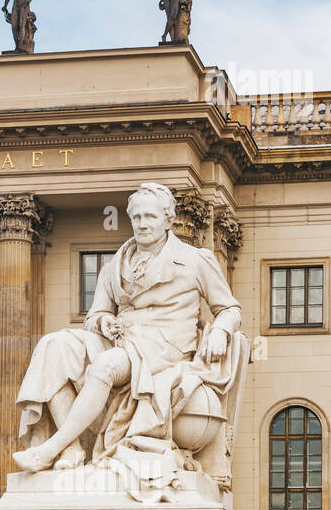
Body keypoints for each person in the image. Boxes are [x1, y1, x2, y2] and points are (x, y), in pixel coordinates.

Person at [13, 182, 242, 475]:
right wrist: (102, 321)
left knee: (105, 366)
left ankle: (50, 448)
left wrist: (222, 331)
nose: (143, 224)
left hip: (165, 348)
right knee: (53, 346)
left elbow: (229, 308)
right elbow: (95, 314)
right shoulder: (113, 266)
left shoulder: (196, 261)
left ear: (168, 220)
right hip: (123, 340)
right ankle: (71, 448)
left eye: (150, 217)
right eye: (137, 218)